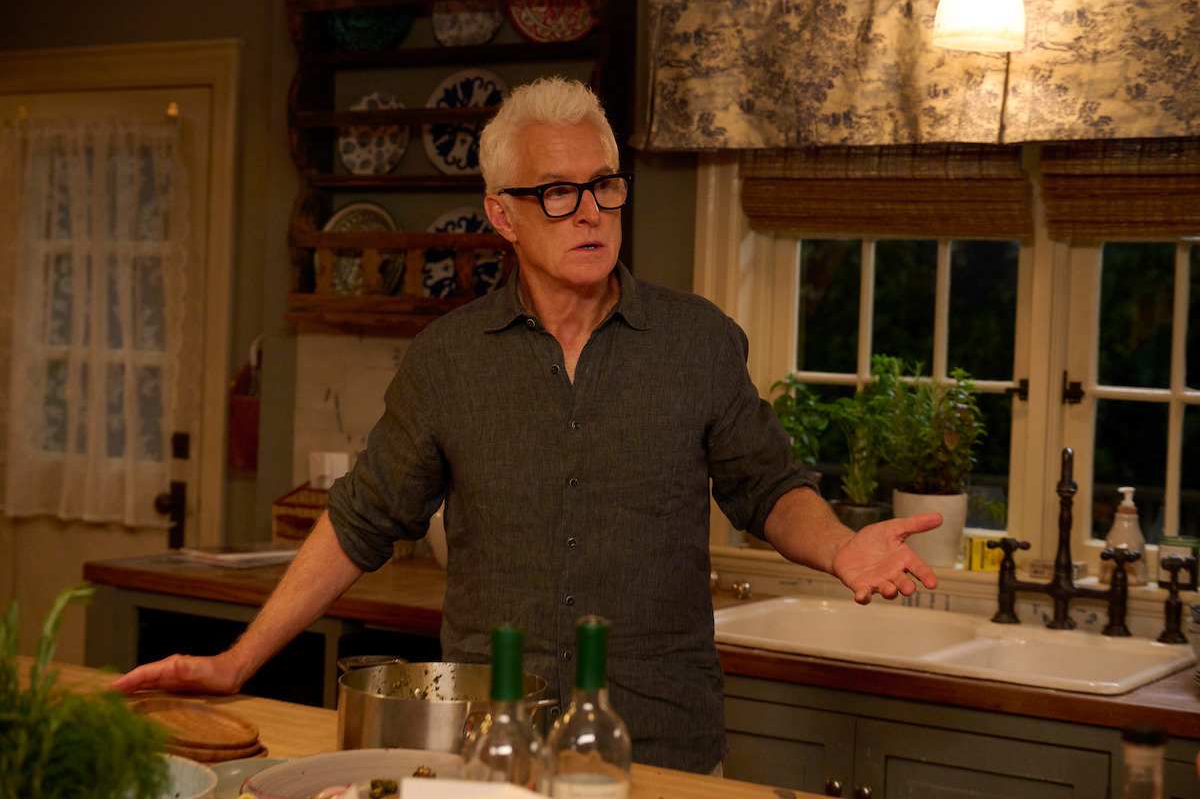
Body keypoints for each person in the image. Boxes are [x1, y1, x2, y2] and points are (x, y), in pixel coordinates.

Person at [112, 76, 940, 774]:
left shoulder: (697, 342)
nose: (590, 212)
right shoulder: (449, 361)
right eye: (557, 192)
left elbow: (768, 487)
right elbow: (360, 522)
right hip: (487, 751)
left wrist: (839, 545)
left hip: (660, 745)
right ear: (502, 216)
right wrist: (234, 662)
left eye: (604, 185)